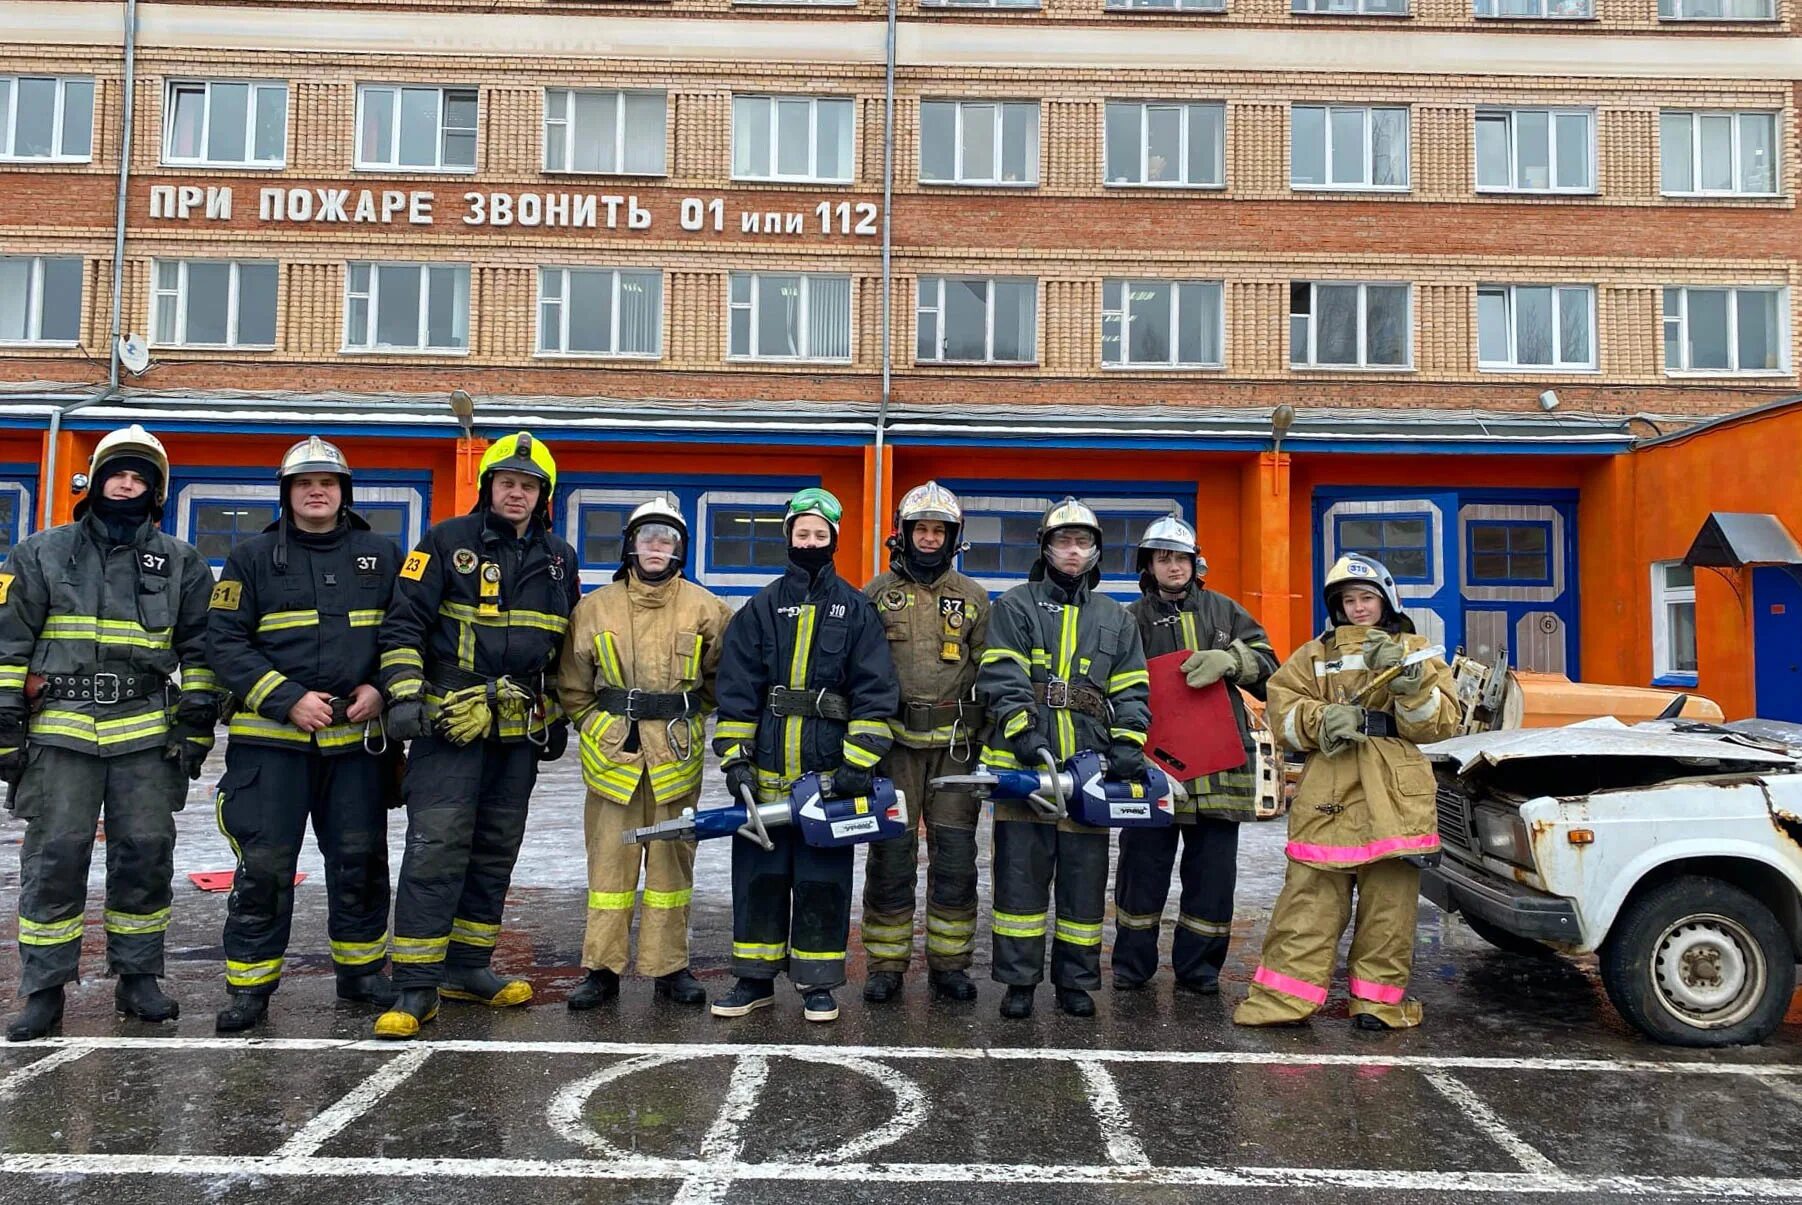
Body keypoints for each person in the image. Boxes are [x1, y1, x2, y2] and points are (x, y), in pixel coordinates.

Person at [0, 426, 218, 1041]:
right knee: (55, 858)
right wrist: (5, 725)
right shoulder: (41, 552)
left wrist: (197, 721)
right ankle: (43, 990)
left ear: (157, 490)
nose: (128, 484)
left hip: (147, 737)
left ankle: (139, 979)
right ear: (96, 482)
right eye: (118, 474)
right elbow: (9, 643)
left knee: (145, 854)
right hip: (59, 736)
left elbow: (200, 649)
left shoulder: (182, 562)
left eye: (140, 477)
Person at [372, 432, 581, 1039]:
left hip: (516, 731)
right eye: (506, 482)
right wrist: (405, 696)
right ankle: (415, 984)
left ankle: (467, 966)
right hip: (449, 724)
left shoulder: (561, 557)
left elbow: (561, 645)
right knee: (437, 846)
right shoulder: (445, 542)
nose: (516, 493)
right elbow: (403, 623)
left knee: (494, 849)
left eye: (529, 485)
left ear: (544, 494)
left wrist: (554, 718)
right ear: (488, 486)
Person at [206, 437, 402, 1032]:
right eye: (303, 483)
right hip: (272, 745)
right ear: (286, 492)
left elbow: (405, 632)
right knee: (265, 865)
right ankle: (250, 986)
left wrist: (380, 688)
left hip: (356, 745)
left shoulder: (382, 554)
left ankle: (362, 972)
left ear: (344, 492)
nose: (316, 491)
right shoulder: (251, 558)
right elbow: (224, 642)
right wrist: (287, 700)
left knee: (359, 859)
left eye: (328, 482)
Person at [1234, 554, 1458, 1031]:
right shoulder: (1314, 655)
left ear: (1386, 601)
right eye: (1349, 600)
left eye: (1367, 598)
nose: (1358, 608)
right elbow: (1283, 711)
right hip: (1330, 784)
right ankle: (1283, 1000)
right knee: (1309, 899)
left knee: (1389, 907)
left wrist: (1410, 682)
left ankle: (1377, 1005)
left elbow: (1439, 724)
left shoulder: (1415, 651)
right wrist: (1319, 720)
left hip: (1393, 789)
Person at [710, 487, 899, 1024]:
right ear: (788, 537)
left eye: (820, 534)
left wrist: (859, 762)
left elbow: (875, 688)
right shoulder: (761, 607)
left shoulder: (855, 607)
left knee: (823, 879)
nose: (810, 542)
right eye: (802, 533)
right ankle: (753, 980)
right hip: (765, 775)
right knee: (758, 878)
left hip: (828, 778)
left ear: (833, 540)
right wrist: (735, 758)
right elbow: (738, 687)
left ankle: (818, 983)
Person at [557, 496, 732, 1010]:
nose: (657, 546)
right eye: (648, 537)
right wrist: (595, 728)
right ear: (630, 545)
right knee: (609, 867)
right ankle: (601, 969)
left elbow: (720, 683)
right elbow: (572, 686)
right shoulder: (593, 608)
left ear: (680, 549)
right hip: (613, 762)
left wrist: (686, 721)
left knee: (671, 868)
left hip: (675, 762)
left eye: (668, 539)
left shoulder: (707, 610)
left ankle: (668, 967)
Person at [978, 498, 1150, 1020]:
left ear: (1096, 553)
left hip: (1088, 769)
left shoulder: (1116, 618)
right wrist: (1024, 733)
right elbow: (1002, 675)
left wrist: (1128, 743)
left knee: (1083, 880)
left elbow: (1132, 687)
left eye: (1082, 543)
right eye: (1062, 542)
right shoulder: (1015, 605)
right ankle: (1019, 983)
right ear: (1046, 548)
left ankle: (1075, 982)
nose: (1072, 552)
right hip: (1024, 768)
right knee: (1020, 879)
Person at [1112, 513, 1277, 995]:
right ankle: (1132, 966)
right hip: (1153, 766)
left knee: (1212, 878)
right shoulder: (1128, 620)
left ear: (1195, 562)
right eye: (1163, 558)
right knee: (1141, 872)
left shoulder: (1226, 613)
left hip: (1220, 771)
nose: (1173, 566)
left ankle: (1199, 969)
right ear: (1149, 565)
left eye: (1180, 557)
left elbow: (1271, 665)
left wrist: (1235, 660)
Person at [860, 482, 989, 1004]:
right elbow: (860, 672)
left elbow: (994, 673)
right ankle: (886, 964)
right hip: (892, 746)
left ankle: (949, 964)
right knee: (890, 855)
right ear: (904, 534)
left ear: (953, 536)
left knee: (955, 857)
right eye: (921, 529)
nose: (930, 538)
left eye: (939, 530)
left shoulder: (975, 598)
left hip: (957, 747)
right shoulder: (874, 594)